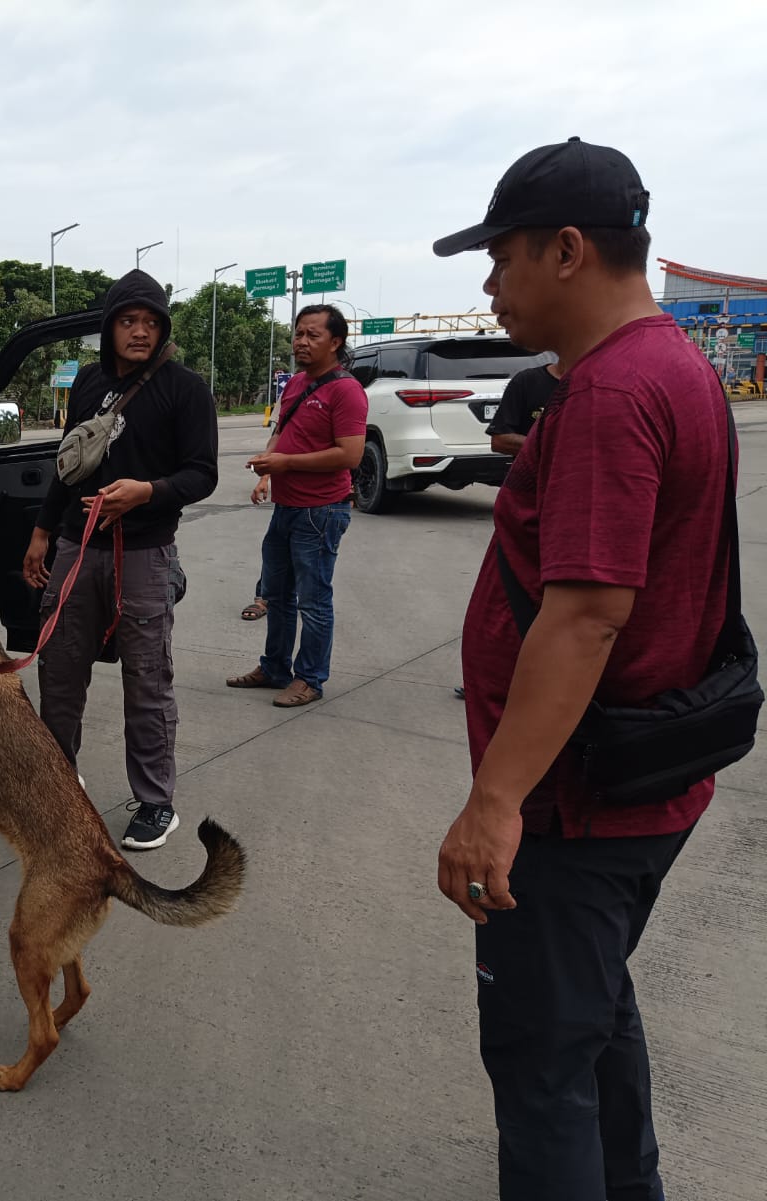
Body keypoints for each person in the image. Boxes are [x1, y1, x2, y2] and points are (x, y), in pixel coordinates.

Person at [432, 137, 733, 1201]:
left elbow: (589, 616)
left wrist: (494, 801)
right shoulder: (674, 367)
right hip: (639, 782)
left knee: (540, 1062)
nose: (489, 282)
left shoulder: (610, 392)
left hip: (575, 805)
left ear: (566, 249)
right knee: (592, 1014)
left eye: (501, 256)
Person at [21, 270, 217, 851]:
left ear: (163, 330)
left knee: (147, 679)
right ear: (109, 329)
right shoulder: (87, 382)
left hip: (146, 554)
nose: (139, 332)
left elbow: (203, 473)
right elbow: (68, 464)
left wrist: (147, 492)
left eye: (150, 323)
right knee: (58, 670)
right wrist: (39, 531)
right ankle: (59, 779)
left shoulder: (185, 388)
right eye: (128, 322)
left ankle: (156, 802)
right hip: (76, 549)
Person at [225, 305, 366, 707]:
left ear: (335, 342)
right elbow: (282, 432)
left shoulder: (346, 390)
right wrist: (267, 472)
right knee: (278, 594)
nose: (301, 342)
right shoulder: (296, 383)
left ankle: (310, 679)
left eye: (312, 335)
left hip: (321, 511)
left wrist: (285, 463)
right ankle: (274, 668)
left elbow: (350, 455)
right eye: (298, 334)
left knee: (314, 600)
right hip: (286, 508)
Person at [454, 356, 564, 701]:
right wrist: (552, 442)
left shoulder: (604, 383)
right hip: (527, 510)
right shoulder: (529, 383)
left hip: (578, 509)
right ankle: (493, 678)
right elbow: (499, 439)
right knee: (511, 598)